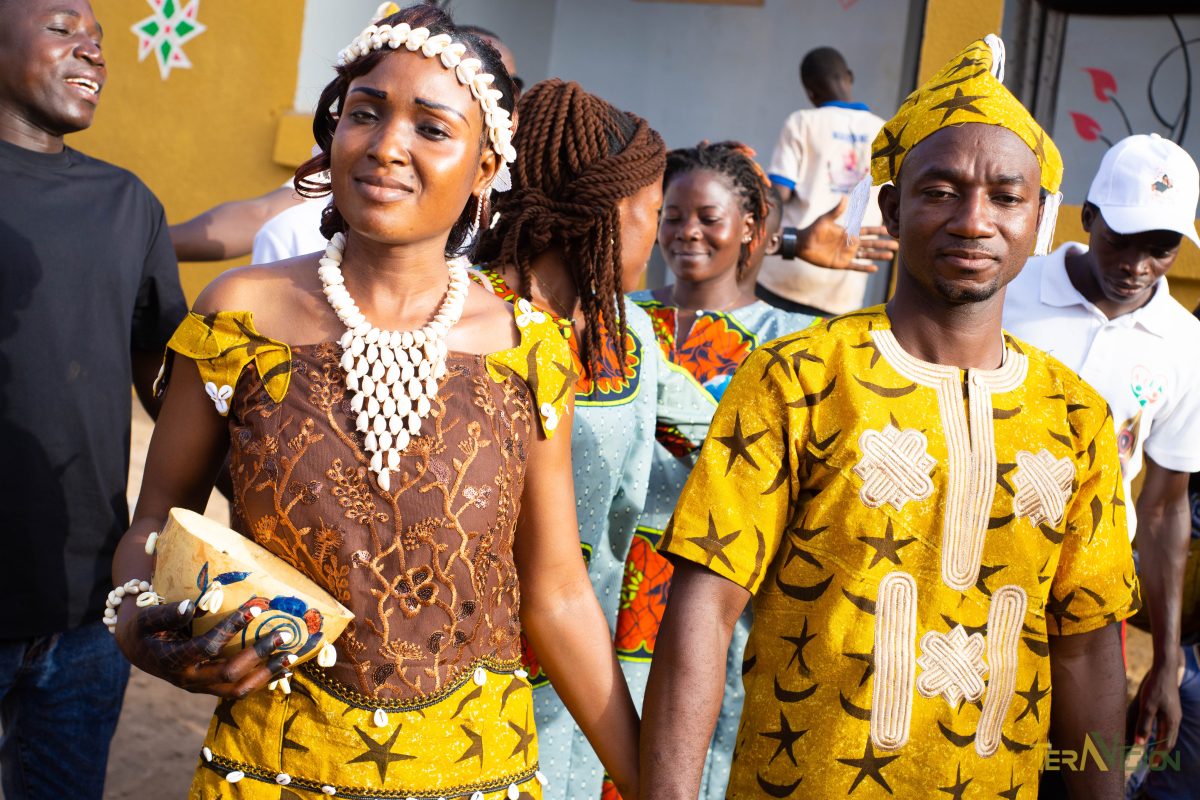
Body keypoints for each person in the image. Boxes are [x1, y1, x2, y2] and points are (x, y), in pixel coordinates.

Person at [110, 7, 641, 798]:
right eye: (365, 112)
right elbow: (156, 519)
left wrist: (650, 782)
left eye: (432, 128)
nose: (387, 145)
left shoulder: (528, 347)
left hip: (476, 775)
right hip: (271, 773)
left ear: (485, 165)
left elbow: (558, 591)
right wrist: (142, 627)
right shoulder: (240, 316)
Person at [640, 35, 1141, 800]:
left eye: (1006, 197)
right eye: (940, 190)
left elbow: (1087, 651)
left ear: (1040, 220)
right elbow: (704, 612)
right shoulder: (798, 378)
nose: (974, 220)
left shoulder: (1075, 417)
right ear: (892, 206)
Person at [473, 78, 716, 800]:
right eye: (654, 211)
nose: (663, 236)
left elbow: (721, 442)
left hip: (598, 677)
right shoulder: (469, 325)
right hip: (475, 678)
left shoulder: (627, 332)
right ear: (607, 214)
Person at [0, 1, 188, 797]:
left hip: (85, 608)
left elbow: (168, 385)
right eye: (63, 28)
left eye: (102, 40)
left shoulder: (129, 205)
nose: (94, 52)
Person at [603, 141, 817, 800]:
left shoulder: (789, 341)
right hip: (603, 586)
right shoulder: (618, 319)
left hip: (717, 595)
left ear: (753, 229)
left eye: (707, 216)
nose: (685, 232)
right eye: (671, 215)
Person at [1003, 133, 1200, 792]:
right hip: (973, 573)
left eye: (1161, 248)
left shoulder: (1184, 344)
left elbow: (1167, 506)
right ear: (1086, 217)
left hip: (1087, 604)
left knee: (1079, 774)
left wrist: (1166, 662)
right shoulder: (1010, 286)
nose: (1139, 265)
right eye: (1121, 239)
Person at [758, 46, 887, 316]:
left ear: (810, 92)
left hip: (788, 267)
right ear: (849, 76)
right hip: (844, 280)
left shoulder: (802, 122)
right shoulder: (883, 131)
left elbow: (778, 195)